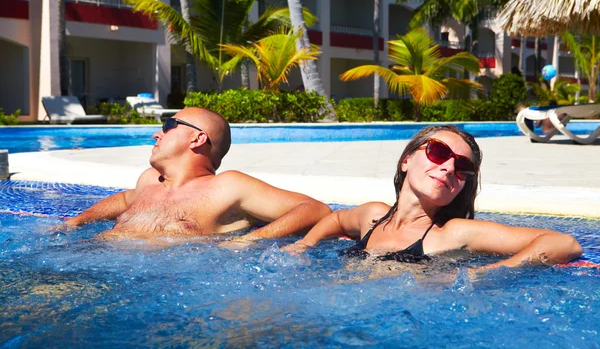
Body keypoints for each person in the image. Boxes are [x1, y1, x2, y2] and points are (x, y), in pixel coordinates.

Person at [283, 125, 582, 271]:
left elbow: (564, 243)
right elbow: (335, 218)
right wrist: (303, 244)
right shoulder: (372, 216)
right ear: (406, 160)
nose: (450, 167)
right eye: (438, 152)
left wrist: (487, 273)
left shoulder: (450, 233)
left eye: (463, 167)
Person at [65, 107, 331, 240]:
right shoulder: (149, 181)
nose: (157, 133)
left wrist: (249, 241)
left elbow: (315, 209)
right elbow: (125, 199)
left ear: (198, 139)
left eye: (169, 125)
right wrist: (77, 221)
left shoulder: (228, 186)